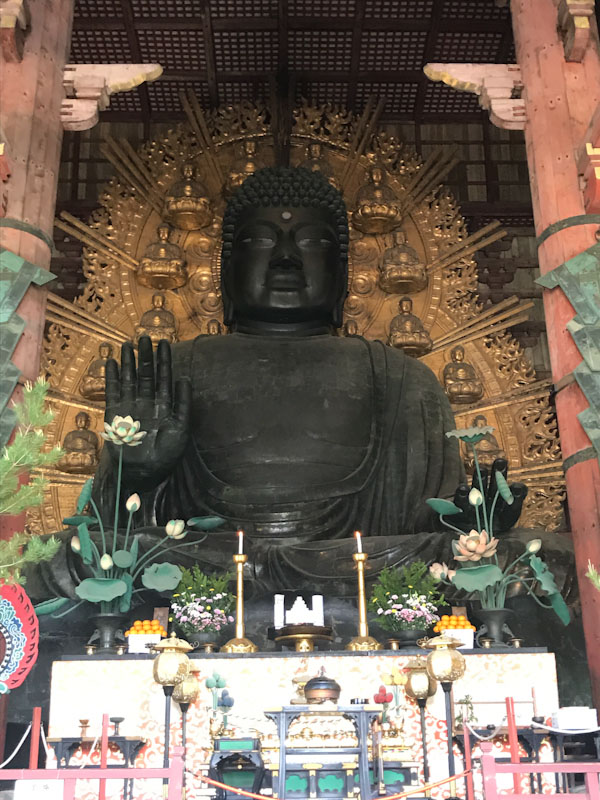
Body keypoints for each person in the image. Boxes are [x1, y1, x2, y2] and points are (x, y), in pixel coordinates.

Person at [91, 167, 524, 587]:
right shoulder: (171, 370)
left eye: (313, 242)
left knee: (522, 557)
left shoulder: (403, 378)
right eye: (260, 241)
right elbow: (109, 524)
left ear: (342, 273)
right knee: (83, 553)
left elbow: (426, 521)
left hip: (362, 565)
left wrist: (474, 522)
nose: (286, 258)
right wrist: (135, 474)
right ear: (227, 268)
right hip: (210, 563)